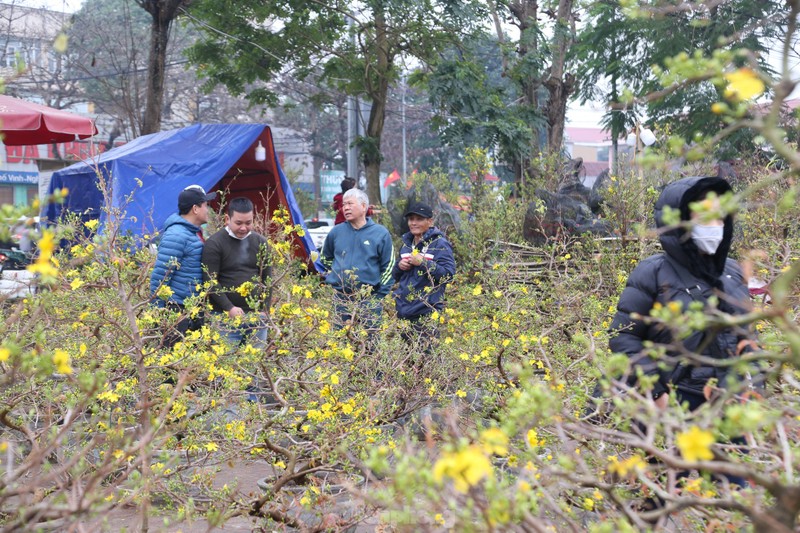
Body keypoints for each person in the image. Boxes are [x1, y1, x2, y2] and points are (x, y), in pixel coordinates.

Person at [607, 176, 757, 486]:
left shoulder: (733, 273)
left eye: (719, 216)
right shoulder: (653, 271)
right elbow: (624, 336)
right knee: (675, 494)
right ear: (678, 220)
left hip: (727, 406)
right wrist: (656, 390)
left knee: (731, 498)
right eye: (702, 217)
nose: (713, 224)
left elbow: (747, 340)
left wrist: (751, 392)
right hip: (677, 403)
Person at [320, 188, 395, 330]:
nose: (345, 208)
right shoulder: (336, 232)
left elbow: (389, 267)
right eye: (343, 204)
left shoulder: (380, 233)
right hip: (341, 299)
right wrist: (337, 274)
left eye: (350, 204)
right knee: (339, 342)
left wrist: (377, 296)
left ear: (363, 207)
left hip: (369, 300)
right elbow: (325, 259)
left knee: (370, 344)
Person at [202, 197, 272, 347]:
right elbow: (210, 281)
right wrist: (229, 307)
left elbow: (267, 279)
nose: (244, 228)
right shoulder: (214, 243)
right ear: (228, 219)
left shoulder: (260, 242)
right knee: (226, 364)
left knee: (255, 366)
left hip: (256, 318)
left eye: (248, 223)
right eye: (238, 223)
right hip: (224, 318)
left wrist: (265, 309)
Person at [150, 184, 216, 344]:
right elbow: (161, 275)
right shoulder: (177, 234)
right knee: (171, 364)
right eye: (205, 205)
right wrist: (157, 313)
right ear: (195, 208)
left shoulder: (192, 232)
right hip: (176, 310)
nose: (208, 209)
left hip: (190, 307)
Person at [392, 202, 456, 349]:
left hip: (426, 313)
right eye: (411, 219)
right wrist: (399, 266)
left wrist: (423, 263)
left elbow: (448, 275)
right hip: (404, 312)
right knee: (406, 362)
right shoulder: (407, 244)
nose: (413, 223)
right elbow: (395, 276)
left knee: (425, 361)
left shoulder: (440, 244)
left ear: (430, 221)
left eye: (419, 219)